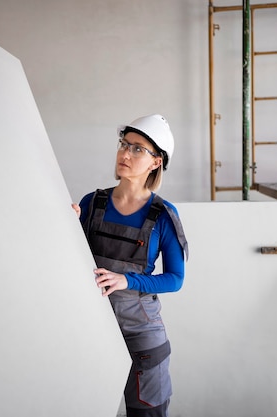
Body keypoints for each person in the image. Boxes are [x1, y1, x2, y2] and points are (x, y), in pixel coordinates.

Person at [72, 114, 188, 417]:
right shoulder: (91, 203)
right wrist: (64, 227)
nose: (125, 153)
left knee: (147, 413)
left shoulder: (163, 215)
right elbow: (70, 261)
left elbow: (175, 279)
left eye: (138, 149)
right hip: (90, 328)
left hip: (142, 336)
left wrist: (127, 280)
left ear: (156, 162)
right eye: (124, 144)